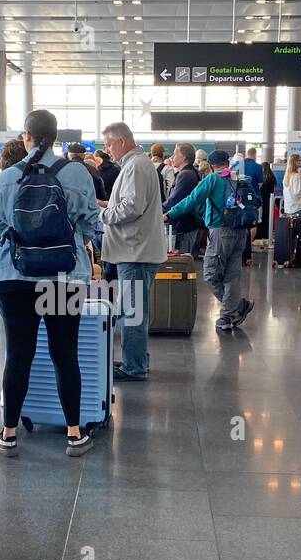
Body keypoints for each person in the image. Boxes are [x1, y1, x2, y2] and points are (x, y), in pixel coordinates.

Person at [0, 109, 101, 458]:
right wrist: (72, 242)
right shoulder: (76, 172)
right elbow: (91, 223)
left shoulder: (9, 175)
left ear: (26, 137)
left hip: (16, 277)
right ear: (55, 137)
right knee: (65, 354)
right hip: (64, 278)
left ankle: (9, 433)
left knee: (18, 354)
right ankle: (74, 434)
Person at [100, 122, 167, 383]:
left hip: (135, 253)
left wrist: (102, 213)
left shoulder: (136, 166)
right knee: (133, 310)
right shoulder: (136, 165)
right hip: (134, 251)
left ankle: (134, 367)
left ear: (121, 142)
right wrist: (107, 203)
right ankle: (135, 360)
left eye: (108, 144)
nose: (107, 150)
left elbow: (132, 208)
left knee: (133, 313)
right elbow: (131, 203)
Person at [163, 149, 257, 332]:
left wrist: (169, 214)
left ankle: (234, 308)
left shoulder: (213, 179)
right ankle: (229, 316)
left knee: (210, 274)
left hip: (221, 232)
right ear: (227, 163)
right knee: (232, 275)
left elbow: (191, 200)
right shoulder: (239, 178)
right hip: (241, 232)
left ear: (212, 165)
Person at [162, 143, 203, 257]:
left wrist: (157, 211)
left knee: (181, 264)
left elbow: (175, 200)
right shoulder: (188, 173)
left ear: (184, 157)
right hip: (184, 225)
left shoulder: (186, 175)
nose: (172, 157)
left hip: (184, 226)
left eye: (175, 154)